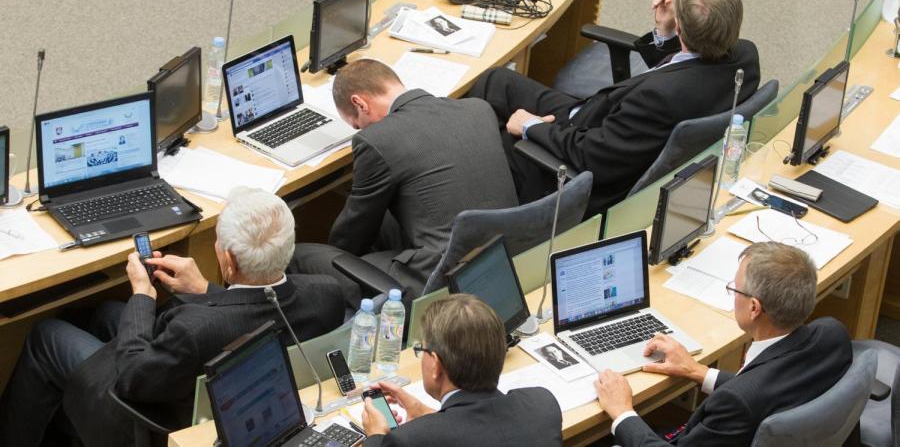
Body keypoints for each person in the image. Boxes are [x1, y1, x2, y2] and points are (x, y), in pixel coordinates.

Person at [0, 187, 346, 447]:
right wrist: (205, 289)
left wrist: (142, 295)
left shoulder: (194, 330)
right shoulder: (326, 294)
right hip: (240, 396)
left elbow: (132, 378)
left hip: (153, 415)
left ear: (229, 262)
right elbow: (255, 311)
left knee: (47, 335)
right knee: (107, 313)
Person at [466, 0, 761, 216]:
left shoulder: (656, 99)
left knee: (483, 132)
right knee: (497, 81)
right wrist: (665, 32)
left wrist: (531, 126)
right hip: (604, 122)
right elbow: (686, 67)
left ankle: (467, 187)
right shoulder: (745, 58)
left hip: (578, 158)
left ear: (682, 26)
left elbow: (592, 156)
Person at [291, 60, 517, 302]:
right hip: (507, 253)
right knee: (386, 218)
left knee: (306, 256)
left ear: (360, 103)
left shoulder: (378, 140)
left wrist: (334, 256)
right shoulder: (477, 108)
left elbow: (353, 232)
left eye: (356, 124)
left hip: (442, 276)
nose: (360, 129)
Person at [593, 242, 852, 446]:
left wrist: (622, 411)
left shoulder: (736, 404)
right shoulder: (833, 334)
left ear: (754, 308)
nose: (732, 294)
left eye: (735, 289)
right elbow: (771, 386)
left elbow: (748, 397)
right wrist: (699, 372)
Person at [361, 294, 563, 446]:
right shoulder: (542, 405)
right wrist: (427, 414)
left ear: (436, 365)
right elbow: (478, 431)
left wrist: (375, 435)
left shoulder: (409, 440)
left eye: (422, 350)